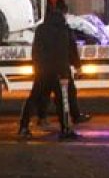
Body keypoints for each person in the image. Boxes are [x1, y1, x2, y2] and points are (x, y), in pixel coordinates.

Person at [17, 8, 81, 140]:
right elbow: (72, 50)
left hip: (43, 71)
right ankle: (65, 129)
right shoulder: (64, 30)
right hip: (60, 72)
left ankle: (24, 126)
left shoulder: (41, 29)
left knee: (34, 99)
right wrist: (77, 66)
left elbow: (36, 50)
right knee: (62, 101)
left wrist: (37, 67)